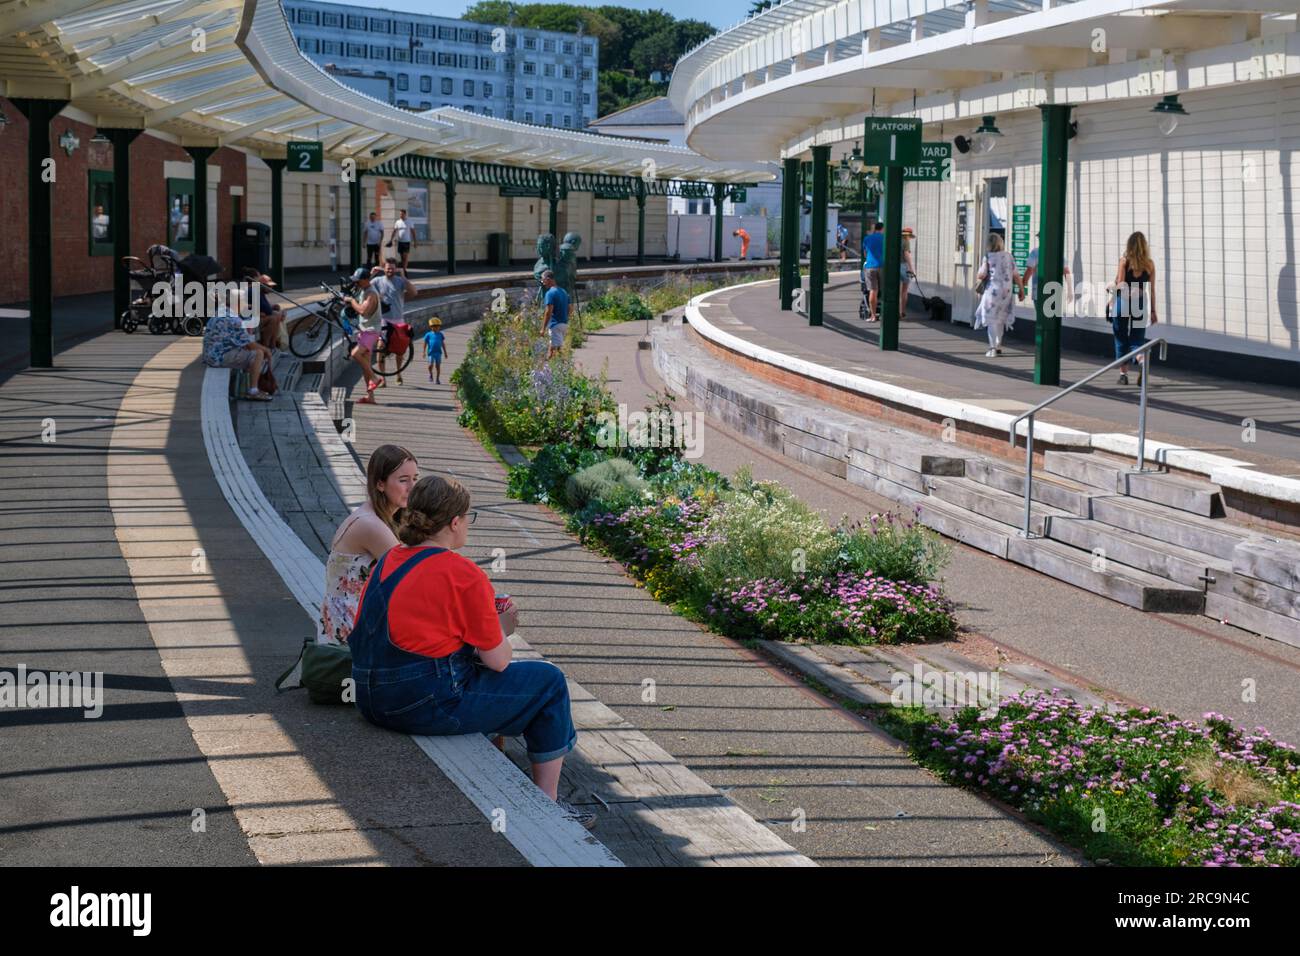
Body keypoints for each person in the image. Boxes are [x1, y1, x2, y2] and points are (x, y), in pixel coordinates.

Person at [348, 475, 594, 828]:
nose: (468, 525)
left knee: (472, 671)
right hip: (421, 704)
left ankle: (502, 774)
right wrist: (501, 626)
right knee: (548, 683)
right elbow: (498, 661)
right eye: (469, 518)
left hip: (370, 699)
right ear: (454, 522)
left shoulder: (388, 561)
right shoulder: (463, 572)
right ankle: (548, 806)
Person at [319, 445, 418, 645]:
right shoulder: (371, 525)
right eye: (403, 480)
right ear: (380, 484)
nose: (412, 487)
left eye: (415, 478)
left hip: (350, 618)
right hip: (350, 627)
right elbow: (410, 576)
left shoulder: (378, 517)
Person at [201, 287, 273, 400]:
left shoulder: (222, 312)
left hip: (211, 354)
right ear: (237, 303)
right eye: (244, 301)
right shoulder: (233, 319)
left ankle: (244, 387)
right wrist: (266, 350)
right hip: (218, 358)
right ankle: (253, 391)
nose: (246, 304)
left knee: (251, 353)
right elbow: (250, 345)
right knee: (258, 353)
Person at [1112, 230, 1158, 386]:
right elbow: (1151, 290)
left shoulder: (1124, 261)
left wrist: (1112, 289)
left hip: (1123, 302)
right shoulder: (1150, 264)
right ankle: (1142, 360)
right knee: (1137, 339)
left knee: (1120, 338)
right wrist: (1153, 311)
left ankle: (1123, 375)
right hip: (1140, 302)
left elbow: (1121, 284)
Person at [973, 232, 1021, 358]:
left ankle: (992, 348)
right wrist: (1021, 289)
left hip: (992, 291)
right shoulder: (1009, 256)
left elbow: (981, 275)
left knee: (991, 319)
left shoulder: (988, 257)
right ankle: (998, 345)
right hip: (1007, 292)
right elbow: (1016, 275)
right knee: (1001, 318)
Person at [370, 257, 414, 385]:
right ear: (384, 268)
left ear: (396, 269)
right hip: (383, 320)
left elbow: (414, 292)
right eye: (388, 268)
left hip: (398, 320)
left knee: (399, 350)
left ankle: (399, 373)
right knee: (380, 348)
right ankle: (383, 378)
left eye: (393, 269)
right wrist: (372, 273)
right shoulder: (377, 281)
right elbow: (363, 287)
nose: (390, 271)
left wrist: (403, 276)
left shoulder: (400, 281)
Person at [343, 267, 384, 404]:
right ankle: (370, 397)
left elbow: (362, 310)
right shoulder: (365, 287)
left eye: (358, 281)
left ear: (365, 281)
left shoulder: (371, 294)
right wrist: (372, 273)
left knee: (355, 354)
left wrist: (351, 301)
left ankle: (375, 378)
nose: (356, 283)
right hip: (365, 329)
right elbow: (366, 280)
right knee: (365, 363)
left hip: (371, 331)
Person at [540, 269, 569, 359]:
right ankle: (553, 367)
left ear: (548, 279)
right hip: (563, 323)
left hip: (555, 324)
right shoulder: (563, 291)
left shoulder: (550, 293)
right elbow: (570, 308)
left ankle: (559, 368)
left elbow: (548, 312)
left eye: (543, 279)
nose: (542, 282)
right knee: (555, 348)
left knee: (555, 350)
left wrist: (543, 328)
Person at [861, 221, 884, 322]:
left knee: (873, 291)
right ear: (882, 229)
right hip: (883, 266)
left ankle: (873, 316)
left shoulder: (867, 238)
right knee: (885, 290)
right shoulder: (885, 238)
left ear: (875, 229)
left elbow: (865, 254)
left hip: (870, 266)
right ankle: (885, 314)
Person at [386, 209, 414, 278]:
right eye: (400, 214)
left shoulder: (409, 222)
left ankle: (404, 270)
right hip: (400, 242)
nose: (401, 215)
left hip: (406, 241)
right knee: (402, 257)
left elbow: (413, 231)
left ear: (405, 214)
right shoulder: (398, 222)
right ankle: (404, 269)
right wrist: (391, 240)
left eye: (402, 214)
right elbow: (394, 231)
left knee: (405, 256)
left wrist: (415, 241)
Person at [898, 227, 916, 321]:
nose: (909, 238)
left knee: (895, 290)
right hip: (903, 266)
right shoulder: (905, 242)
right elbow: (906, 255)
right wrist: (911, 268)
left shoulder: (895, 240)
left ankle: (895, 311)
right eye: (909, 236)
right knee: (904, 291)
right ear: (907, 235)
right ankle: (902, 312)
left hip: (893, 266)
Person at [423, 317, 447, 384]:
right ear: (431, 327)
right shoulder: (428, 334)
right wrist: (424, 352)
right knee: (430, 365)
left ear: (439, 327)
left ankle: (437, 379)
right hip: (431, 352)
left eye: (437, 326)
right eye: (434, 326)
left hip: (438, 353)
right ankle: (430, 374)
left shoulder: (440, 334)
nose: (436, 328)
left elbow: (442, 344)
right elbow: (425, 343)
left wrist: (445, 353)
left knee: (437, 366)